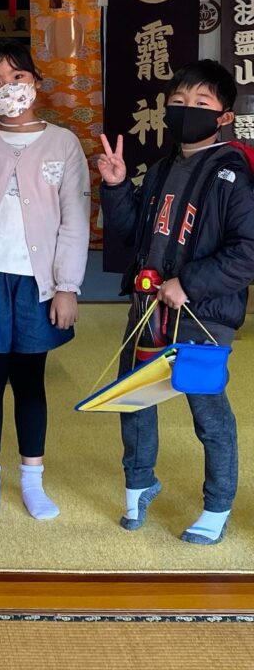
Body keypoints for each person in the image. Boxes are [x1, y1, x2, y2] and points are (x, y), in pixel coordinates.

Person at [98, 59, 254, 545]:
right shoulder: (165, 166)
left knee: (207, 411)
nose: (188, 111)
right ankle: (140, 483)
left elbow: (248, 251)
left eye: (201, 104)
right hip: (147, 305)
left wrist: (189, 284)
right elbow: (127, 235)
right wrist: (118, 184)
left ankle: (218, 503)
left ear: (224, 115)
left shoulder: (236, 174)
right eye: (180, 102)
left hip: (203, 314)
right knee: (134, 397)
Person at [0, 40, 90, 523]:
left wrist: (67, 285)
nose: (10, 90)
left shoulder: (63, 143)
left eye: (18, 78)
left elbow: (75, 219)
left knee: (30, 382)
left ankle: (31, 479)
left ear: (37, 84)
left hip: (37, 283)